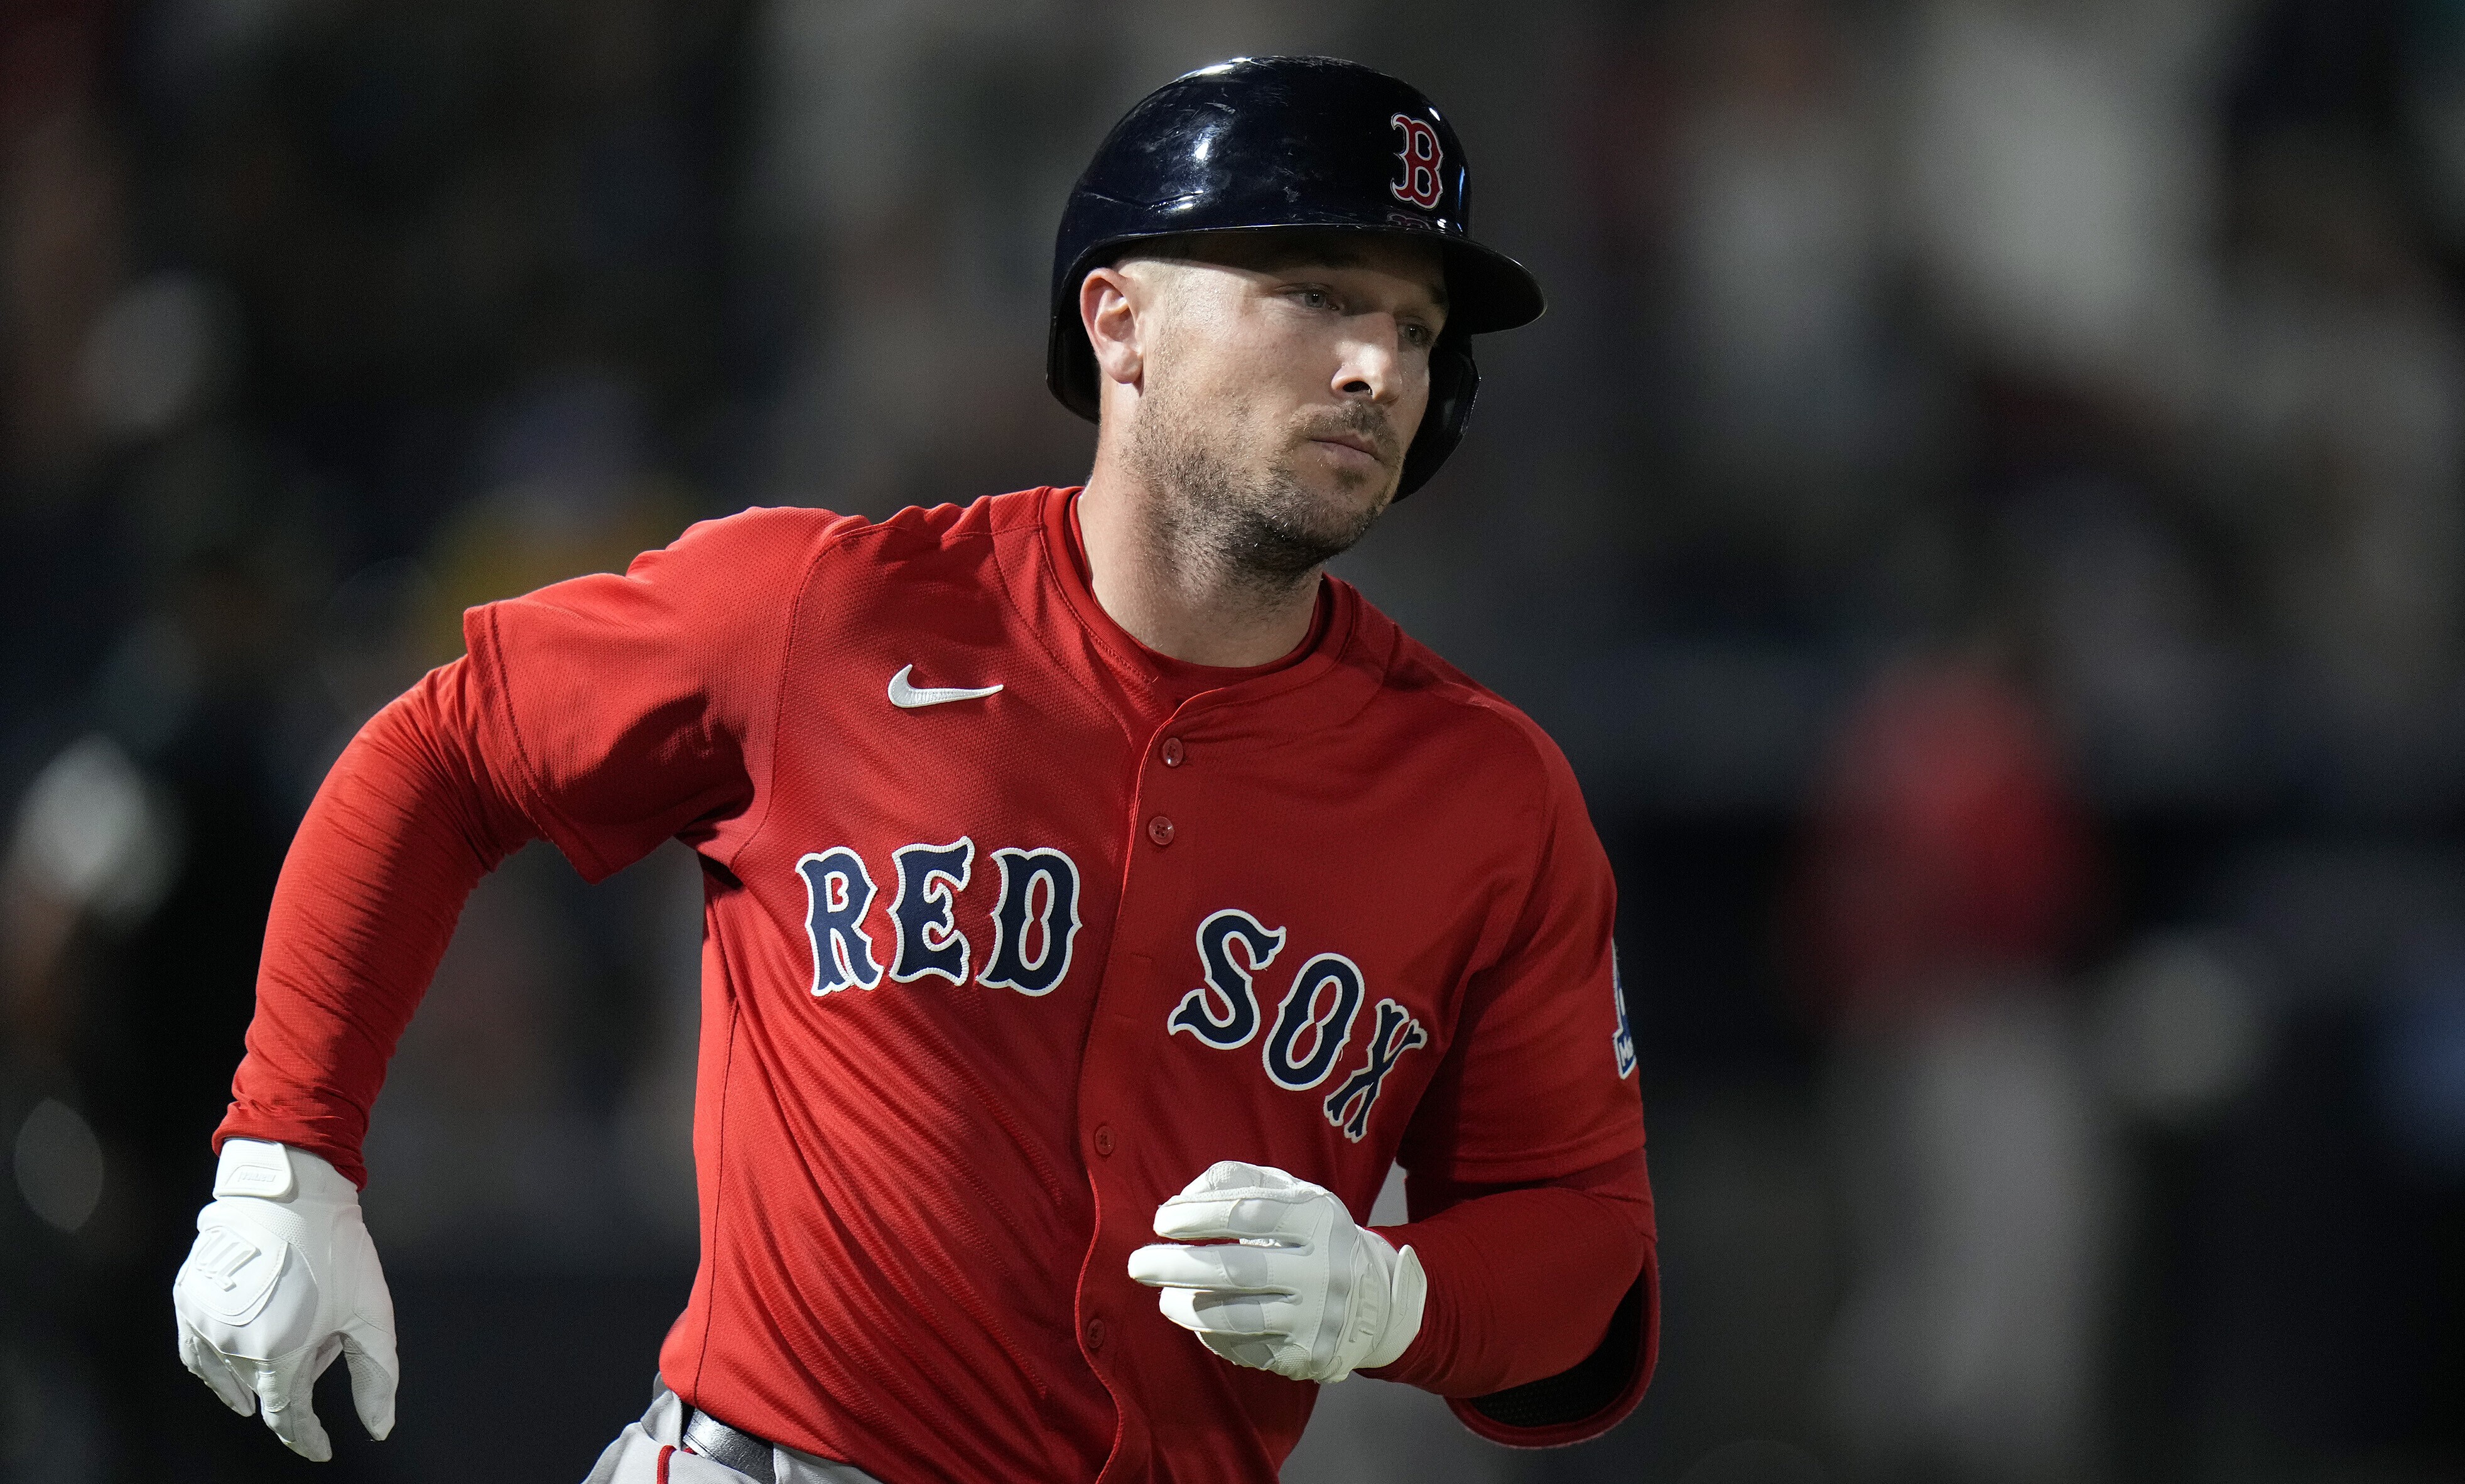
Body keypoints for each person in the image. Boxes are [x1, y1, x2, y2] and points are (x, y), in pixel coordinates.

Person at [170, 57, 1657, 1483]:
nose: (1376, 365)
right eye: (1317, 293)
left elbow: (1580, 1244)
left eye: (1415, 329)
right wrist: (284, 1152)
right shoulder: (830, 616)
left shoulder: (1486, 796)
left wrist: (1397, 1300)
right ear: (1118, 321)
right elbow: (443, 751)